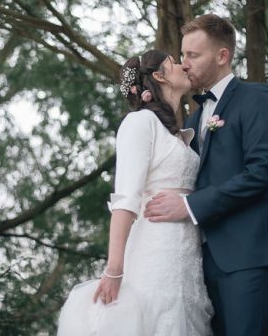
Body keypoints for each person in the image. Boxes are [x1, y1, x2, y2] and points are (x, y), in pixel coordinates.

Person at [144, 14, 268, 336]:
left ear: (222, 56)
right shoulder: (196, 117)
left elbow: (261, 173)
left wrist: (189, 206)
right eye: (183, 55)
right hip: (200, 262)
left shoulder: (257, 98)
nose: (184, 64)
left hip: (249, 255)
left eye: (193, 56)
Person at [57, 49, 213, 336]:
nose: (182, 66)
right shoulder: (139, 123)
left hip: (186, 254)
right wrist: (114, 269)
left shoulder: (176, 134)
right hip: (155, 252)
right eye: (173, 64)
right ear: (158, 76)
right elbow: (126, 199)